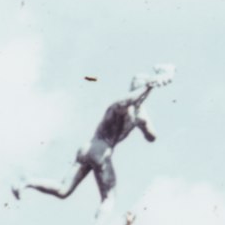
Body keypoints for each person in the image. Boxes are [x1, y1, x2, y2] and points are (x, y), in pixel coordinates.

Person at [12, 68, 172, 206]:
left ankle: (29, 181)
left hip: (87, 148)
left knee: (63, 190)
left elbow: (152, 137)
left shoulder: (138, 113)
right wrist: (149, 88)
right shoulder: (123, 106)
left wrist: (144, 123)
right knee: (109, 199)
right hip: (101, 149)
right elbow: (133, 105)